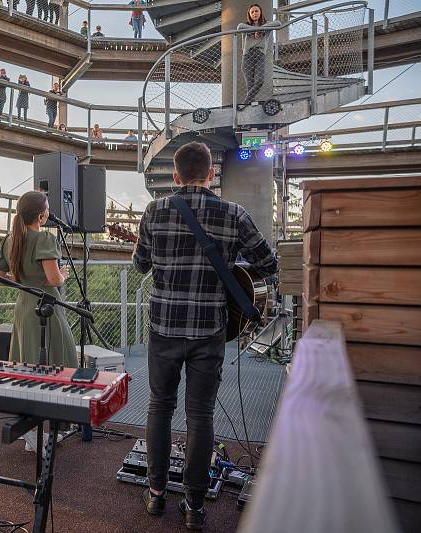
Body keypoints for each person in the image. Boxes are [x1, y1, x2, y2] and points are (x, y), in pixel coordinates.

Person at [132, 142, 277, 530]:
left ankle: (157, 495)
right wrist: (231, 264)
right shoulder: (233, 213)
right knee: (201, 414)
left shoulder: (154, 211)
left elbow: (140, 265)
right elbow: (268, 261)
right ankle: (195, 506)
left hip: (163, 326)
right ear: (211, 174)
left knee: (159, 407)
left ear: (175, 176)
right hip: (209, 328)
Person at [0, 190, 77, 368]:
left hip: (24, 307)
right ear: (40, 216)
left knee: (27, 360)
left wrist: (25, 281)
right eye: (47, 208)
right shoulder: (44, 239)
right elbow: (54, 280)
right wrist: (63, 274)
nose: (49, 212)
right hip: (47, 306)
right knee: (58, 360)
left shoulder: (9, 240)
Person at [239, 4, 269, 106]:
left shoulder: (267, 25)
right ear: (249, 14)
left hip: (260, 54)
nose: (254, 13)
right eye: (252, 12)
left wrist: (261, 29)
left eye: (256, 11)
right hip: (247, 56)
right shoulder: (246, 25)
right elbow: (239, 27)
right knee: (250, 85)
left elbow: (278, 23)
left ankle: (246, 103)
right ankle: (251, 104)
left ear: (260, 12)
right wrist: (254, 30)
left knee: (260, 80)